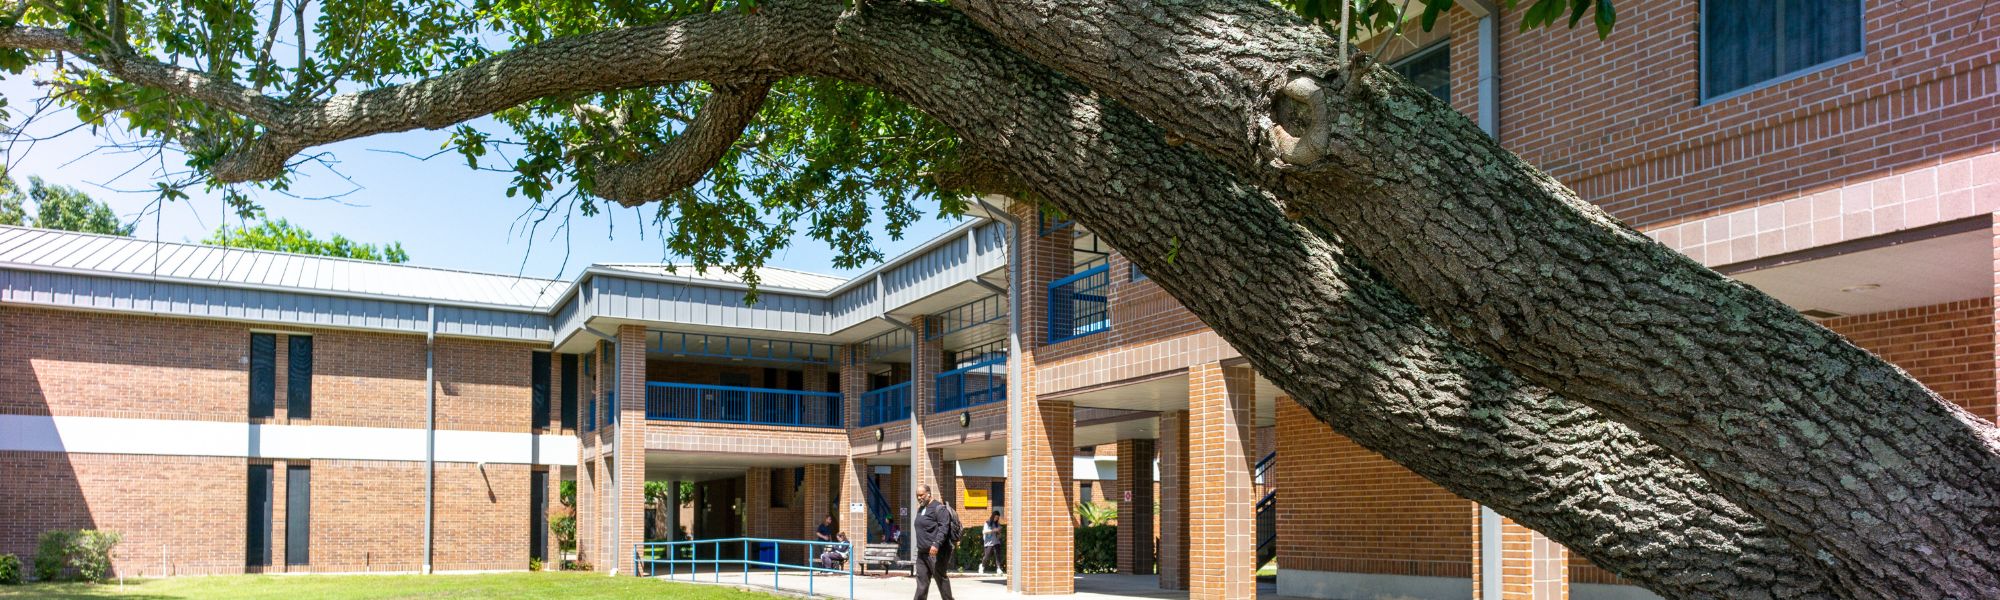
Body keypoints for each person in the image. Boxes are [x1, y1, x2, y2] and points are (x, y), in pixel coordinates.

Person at [912, 484, 960, 600]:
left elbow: (944, 528)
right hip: (922, 552)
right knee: (921, 583)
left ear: (928, 493)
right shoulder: (922, 508)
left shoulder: (939, 508)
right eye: (917, 496)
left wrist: (936, 544)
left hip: (936, 553)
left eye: (921, 495)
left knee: (941, 579)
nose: (919, 498)